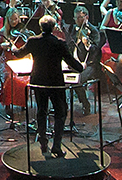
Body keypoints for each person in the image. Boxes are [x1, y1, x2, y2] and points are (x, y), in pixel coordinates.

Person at [7, 14, 82, 156]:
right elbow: (71, 61)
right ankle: (57, 146)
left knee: (42, 111)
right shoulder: (60, 43)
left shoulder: (33, 41)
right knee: (60, 112)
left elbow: (18, 53)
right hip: (55, 83)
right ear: (53, 28)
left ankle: (43, 142)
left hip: (38, 82)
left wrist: (12, 47)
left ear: (40, 27)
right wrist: (81, 67)